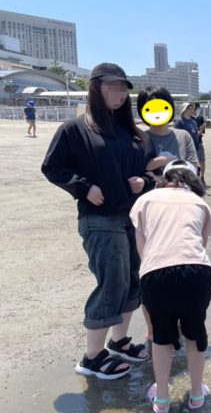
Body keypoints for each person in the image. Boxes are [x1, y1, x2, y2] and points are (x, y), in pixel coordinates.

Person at [41, 63, 153, 380]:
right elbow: (52, 167)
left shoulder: (133, 132)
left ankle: (118, 341)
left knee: (132, 280)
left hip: (133, 217)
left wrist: (145, 182)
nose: (120, 93)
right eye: (112, 86)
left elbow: (150, 169)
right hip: (100, 219)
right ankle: (92, 357)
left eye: (123, 87)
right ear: (95, 88)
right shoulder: (75, 129)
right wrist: (84, 187)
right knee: (112, 282)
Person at [130, 159, 211, 412]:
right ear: (193, 180)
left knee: (161, 336)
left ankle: (162, 400)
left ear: (164, 178)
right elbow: (201, 243)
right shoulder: (200, 203)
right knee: (195, 333)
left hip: (156, 271)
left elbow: (142, 248)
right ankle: (197, 396)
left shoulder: (145, 200)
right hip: (197, 270)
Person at [137, 86, 199, 177]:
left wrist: (159, 179)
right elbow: (137, 172)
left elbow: (193, 169)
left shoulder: (184, 136)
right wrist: (160, 161)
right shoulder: (139, 140)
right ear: (141, 111)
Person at [174, 103, 204, 183]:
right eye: (190, 108)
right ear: (184, 109)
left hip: (195, 148)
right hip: (184, 149)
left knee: (195, 167)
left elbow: (196, 134)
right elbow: (177, 136)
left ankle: (194, 183)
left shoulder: (193, 122)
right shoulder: (179, 121)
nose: (192, 110)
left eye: (193, 109)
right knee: (185, 167)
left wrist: (201, 130)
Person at [193, 103, 207, 185]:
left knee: (202, 160)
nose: (196, 110)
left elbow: (201, 132)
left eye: (197, 108)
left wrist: (202, 128)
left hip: (199, 142)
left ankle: (202, 177)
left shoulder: (200, 118)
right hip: (190, 143)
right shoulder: (188, 118)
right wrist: (201, 128)